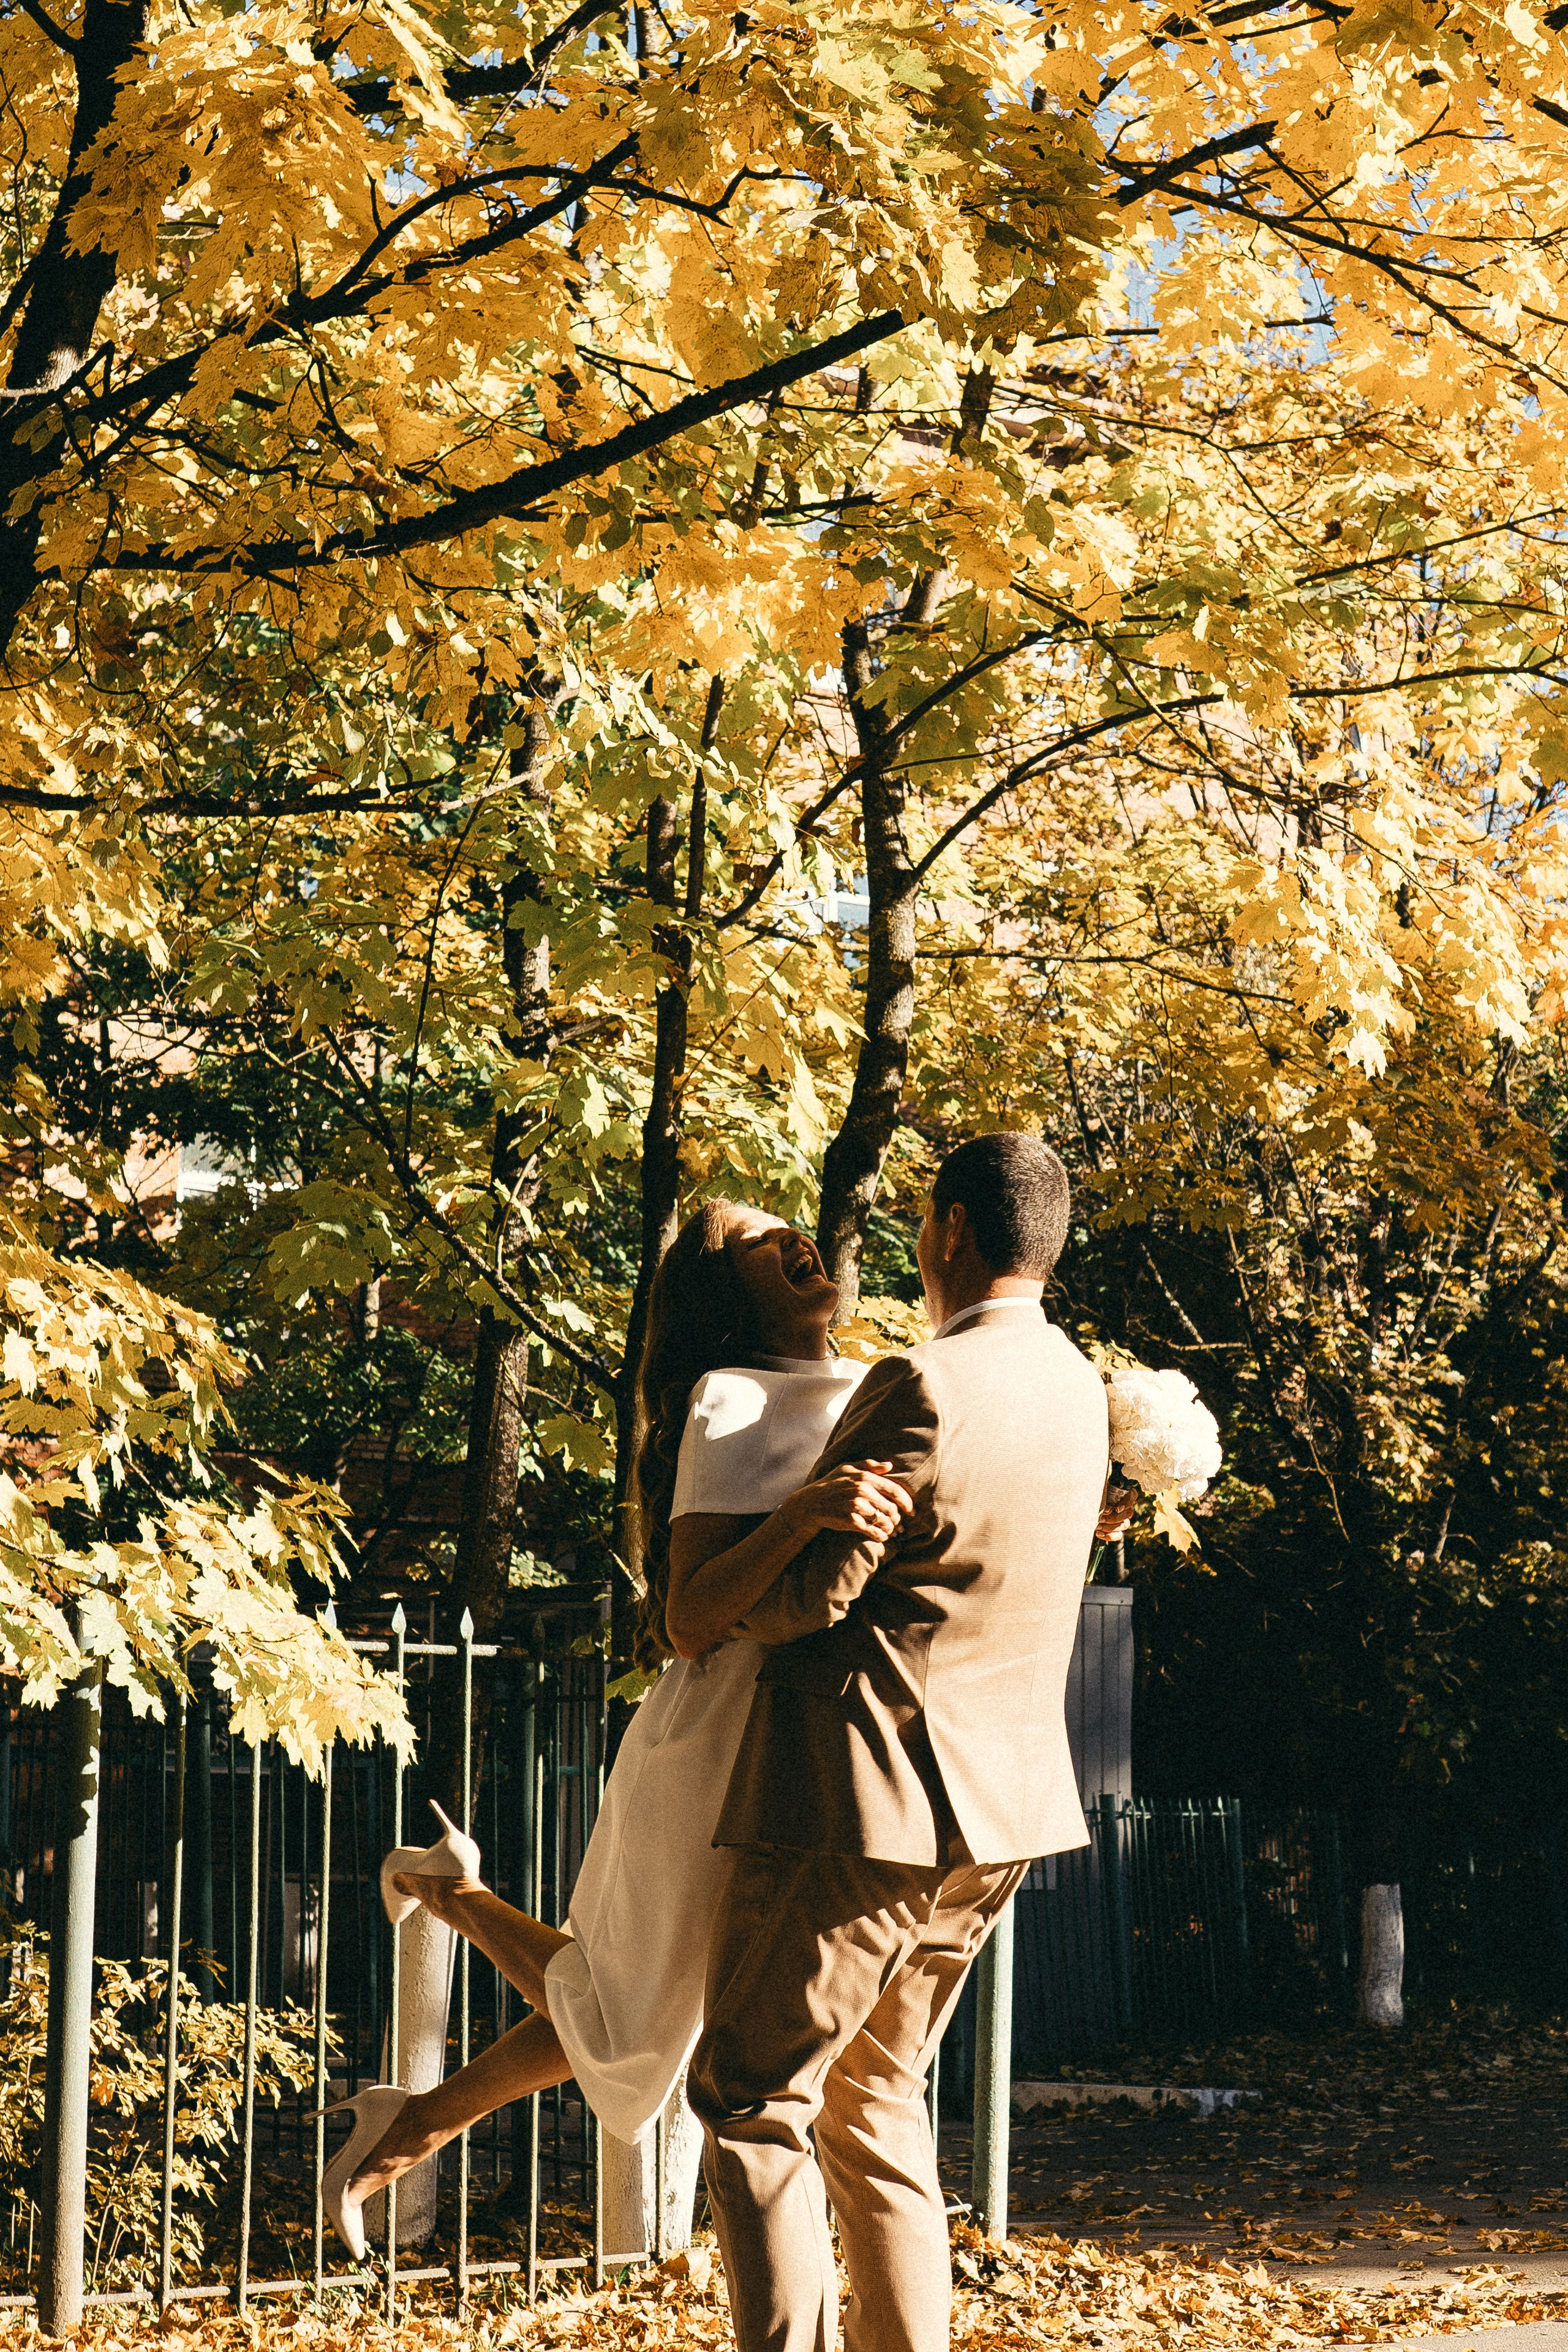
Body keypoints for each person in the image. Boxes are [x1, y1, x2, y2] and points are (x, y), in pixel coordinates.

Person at [319, 1199, 914, 2256]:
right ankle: (444, 1906)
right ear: (726, 1292)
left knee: (635, 2022)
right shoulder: (729, 1401)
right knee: (639, 2029)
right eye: (752, 1240)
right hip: (714, 1735)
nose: (790, 1236)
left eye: (786, 1220)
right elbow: (687, 1619)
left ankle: (411, 2097)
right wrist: (805, 1513)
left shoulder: (882, 1381)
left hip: (806, 1737)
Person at [687, 1132, 1110, 2352]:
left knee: (755, 2101)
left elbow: (806, 1599)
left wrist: (741, 1574)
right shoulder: (1074, 1386)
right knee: (873, 2098)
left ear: (955, 1232)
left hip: (851, 1801)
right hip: (1001, 1812)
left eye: (926, 1224)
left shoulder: (918, 1382)